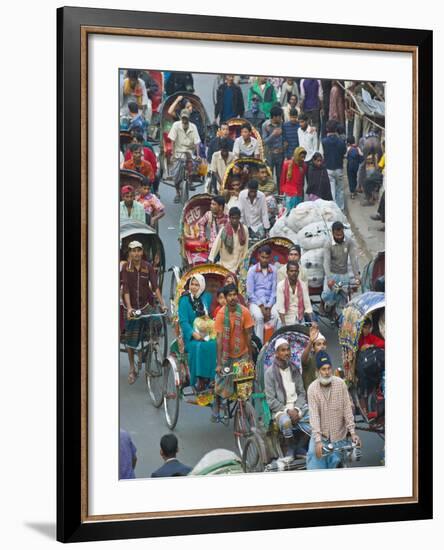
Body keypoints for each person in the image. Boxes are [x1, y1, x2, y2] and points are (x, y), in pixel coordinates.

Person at [121, 241, 167, 384]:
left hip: (146, 304)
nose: (136, 253)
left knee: (157, 322)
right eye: (133, 251)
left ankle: (153, 344)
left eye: (138, 250)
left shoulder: (148, 267)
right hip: (132, 306)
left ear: (142, 252)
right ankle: (132, 368)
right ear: (129, 253)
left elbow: (155, 288)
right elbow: (126, 289)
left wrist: (163, 305)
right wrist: (129, 308)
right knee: (131, 339)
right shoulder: (125, 268)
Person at [306, 351, 361, 469]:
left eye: (329, 368)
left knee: (337, 466)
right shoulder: (312, 389)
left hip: (338, 438)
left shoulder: (340, 384)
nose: (326, 372)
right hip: (321, 437)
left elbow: (347, 408)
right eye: (323, 369)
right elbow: (314, 416)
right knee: (315, 463)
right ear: (318, 371)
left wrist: (353, 433)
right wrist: (318, 441)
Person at [213, 284, 255, 413]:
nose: (232, 298)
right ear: (225, 298)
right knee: (221, 384)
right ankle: (217, 403)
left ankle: (244, 412)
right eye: (229, 295)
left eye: (234, 295)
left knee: (245, 389)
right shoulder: (221, 314)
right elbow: (219, 339)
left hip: (242, 354)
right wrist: (219, 363)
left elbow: (249, 336)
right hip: (227, 357)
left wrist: (250, 359)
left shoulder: (245, 312)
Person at [264, 337, 308, 457]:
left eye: (288, 349)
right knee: (286, 423)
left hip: (298, 407)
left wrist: (297, 409)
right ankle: (291, 447)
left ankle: (300, 447)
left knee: (316, 416)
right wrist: (287, 410)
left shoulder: (294, 369)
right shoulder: (269, 373)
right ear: (276, 353)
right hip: (281, 410)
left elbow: (301, 393)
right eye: (282, 350)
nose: (286, 353)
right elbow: (271, 400)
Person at [178, 274, 217, 391]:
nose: (194, 287)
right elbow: (183, 322)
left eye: (197, 285)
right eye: (192, 284)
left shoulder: (207, 298)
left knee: (214, 345)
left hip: (207, 333)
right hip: (191, 337)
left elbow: (212, 315)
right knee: (198, 346)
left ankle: (211, 377)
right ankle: (199, 379)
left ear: (202, 286)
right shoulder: (184, 300)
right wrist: (193, 334)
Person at [321, 221, 360, 314]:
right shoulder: (328, 244)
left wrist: (357, 276)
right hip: (332, 274)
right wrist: (329, 278)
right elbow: (326, 261)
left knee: (344, 297)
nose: (339, 237)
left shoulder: (349, 242)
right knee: (328, 295)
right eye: (337, 235)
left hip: (344, 274)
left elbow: (353, 259)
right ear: (332, 233)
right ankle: (323, 305)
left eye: (341, 234)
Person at [246, 245, 278, 343]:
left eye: (267, 258)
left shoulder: (274, 270)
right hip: (255, 302)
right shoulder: (252, 270)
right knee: (259, 317)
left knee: (276, 316)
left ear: (270, 258)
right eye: (262, 257)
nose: (264, 260)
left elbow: (274, 292)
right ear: (259, 256)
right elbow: (250, 293)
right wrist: (261, 306)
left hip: (270, 302)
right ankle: (260, 346)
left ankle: (272, 344)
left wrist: (268, 306)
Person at [168, 109, 201, 203]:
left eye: (186, 118)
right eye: (183, 118)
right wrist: (173, 154)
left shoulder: (193, 127)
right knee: (175, 174)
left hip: (189, 151)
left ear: (188, 118)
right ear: (180, 117)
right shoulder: (176, 125)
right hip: (178, 152)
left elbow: (197, 142)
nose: (184, 120)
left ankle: (190, 180)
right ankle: (178, 193)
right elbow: (172, 141)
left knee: (195, 166)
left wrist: (198, 155)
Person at [208, 207, 249, 273]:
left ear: (239, 218)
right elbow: (216, 246)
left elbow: (245, 248)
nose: (235, 220)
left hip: (238, 266)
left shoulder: (244, 230)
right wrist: (211, 259)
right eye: (233, 218)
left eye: (236, 218)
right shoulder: (224, 230)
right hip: (225, 266)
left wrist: (242, 264)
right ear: (229, 218)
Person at [276, 261, 313, 326]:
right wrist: (284, 326)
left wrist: (313, 322)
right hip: (285, 319)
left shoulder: (302, 285)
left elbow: (308, 306)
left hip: (299, 318)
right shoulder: (281, 285)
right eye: (291, 271)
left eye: (296, 271)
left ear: (298, 272)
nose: (294, 273)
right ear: (287, 272)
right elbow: (281, 309)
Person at [322, 119, 347, 210]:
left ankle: (332, 208)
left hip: (328, 168)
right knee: (340, 189)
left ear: (327, 129)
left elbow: (322, 155)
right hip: (339, 168)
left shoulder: (324, 141)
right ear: (336, 129)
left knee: (331, 189)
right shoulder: (341, 142)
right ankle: (340, 208)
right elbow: (344, 153)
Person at [262, 105, 285, 189]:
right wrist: (273, 135)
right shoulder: (265, 125)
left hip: (280, 154)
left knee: (280, 176)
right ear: (274, 117)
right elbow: (264, 141)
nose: (281, 118)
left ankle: (280, 195)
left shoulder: (283, 124)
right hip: (270, 154)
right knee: (269, 175)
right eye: (279, 116)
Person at [300, 326, 327, 391]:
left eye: (324, 344)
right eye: (319, 344)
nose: (322, 346)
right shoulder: (310, 359)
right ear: (313, 347)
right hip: (312, 393)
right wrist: (310, 342)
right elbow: (303, 360)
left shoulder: (326, 358)